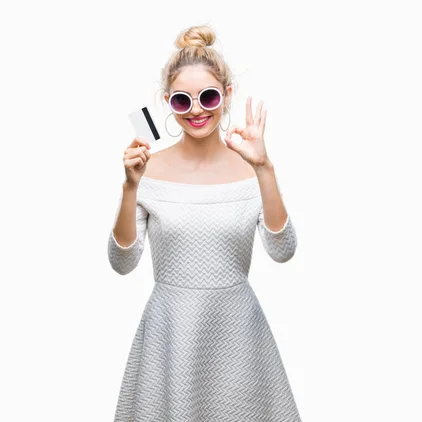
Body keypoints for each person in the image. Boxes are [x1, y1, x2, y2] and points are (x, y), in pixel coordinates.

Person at [107, 24, 301, 421]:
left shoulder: (251, 170)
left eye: (208, 96)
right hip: (170, 332)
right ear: (168, 103)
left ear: (226, 96)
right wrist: (130, 187)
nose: (196, 109)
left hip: (238, 333)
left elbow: (283, 251)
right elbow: (122, 263)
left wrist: (264, 168)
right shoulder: (148, 168)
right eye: (182, 100)